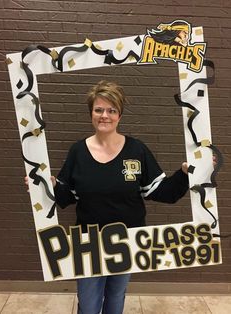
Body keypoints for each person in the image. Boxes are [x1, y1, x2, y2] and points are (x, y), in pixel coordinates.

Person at [26, 80, 189, 314]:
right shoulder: (78, 152)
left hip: (126, 242)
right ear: (91, 113)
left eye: (112, 110)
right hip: (88, 243)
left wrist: (184, 174)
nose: (105, 115)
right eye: (99, 109)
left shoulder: (136, 150)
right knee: (89, 305)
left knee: (114, 299)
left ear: (119, 115)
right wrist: (42, 185)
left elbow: (163, 192)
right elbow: (65, 197)